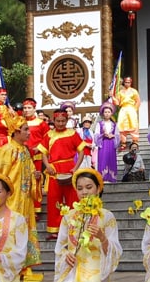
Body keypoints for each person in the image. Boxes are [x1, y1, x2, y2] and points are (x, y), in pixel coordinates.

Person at [44, 168, 122, 282]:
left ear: (98, 189)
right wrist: (66, 255)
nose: (84, 192)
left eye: (89, 187)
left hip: (95, 271)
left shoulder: (106, 216)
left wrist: (102, 238)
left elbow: (115, 250)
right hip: (73, 270)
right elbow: (60, 247)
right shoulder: (69, 215)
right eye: (80, 188)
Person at [0, 116, 43, 282]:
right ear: (16, 131)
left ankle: (24, 267)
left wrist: (36, 178)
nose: (28, 133)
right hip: (10, 201)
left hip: (24, 201)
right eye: (25, 129)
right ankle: (10, 267)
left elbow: (30, 174)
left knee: (23, 232)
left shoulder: (24, 151)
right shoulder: (7, 151)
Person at [36, 109, 87, 238]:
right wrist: (47, 166)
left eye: (63, 121)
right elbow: (43, 153)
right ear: (54, 120)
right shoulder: (49, 135)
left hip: (69, 167)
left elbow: (81, 150)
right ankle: (54, 230)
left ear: (67, 120)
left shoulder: (72, 133)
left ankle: (74, 228)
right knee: (54, 199)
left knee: (73, 199)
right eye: (58, 121)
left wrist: (76, 167)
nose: (60, 123)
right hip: (54, 169)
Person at [21, 98, 49, 214]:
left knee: (36, 181)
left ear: (34, 109)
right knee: (24, 181)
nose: (26, 110)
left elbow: (47, 138)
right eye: (25, 108)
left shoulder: (41, 123)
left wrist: (40, 147)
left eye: (29, 108)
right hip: (23, 155)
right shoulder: (20, 122)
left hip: (36, 156)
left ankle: (36, 208)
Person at [93, 101, 119, 183]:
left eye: (109, 112)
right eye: (105, 112)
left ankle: (112, 177)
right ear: (103, 113)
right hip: (103, 143)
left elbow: (118, 135)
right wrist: (102, 135)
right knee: (103, 159)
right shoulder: (99, 124)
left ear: (111, 113)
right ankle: (103, 178)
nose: (107, 114)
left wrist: (113, 136)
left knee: (111, 158)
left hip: (111, 143)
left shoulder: (114, 124)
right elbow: (96, 136)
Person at [115, 76, 142, 150]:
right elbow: (117, 102)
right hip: (123, 109)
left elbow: (138, 101)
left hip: (131, 109)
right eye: (126, 82)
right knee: (122, 126)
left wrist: (134, 109)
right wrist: (112, 97)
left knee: (134, 125)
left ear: (131, 83)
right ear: (124, 82)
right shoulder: (120, 92)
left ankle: (135, 141)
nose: (127, 83)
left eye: (129, 82)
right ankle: (123, 143)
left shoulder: (134, 91)